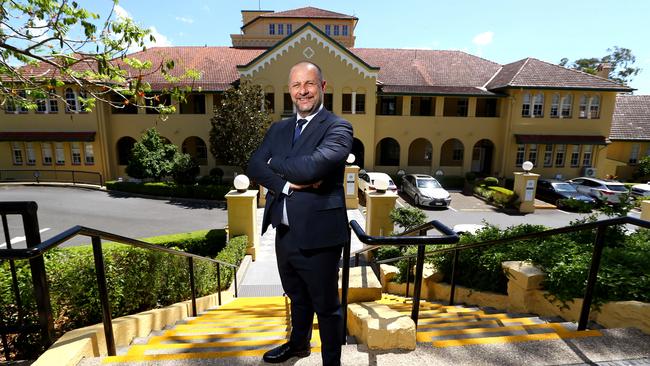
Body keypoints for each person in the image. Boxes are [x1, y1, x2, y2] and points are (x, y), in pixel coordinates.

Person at [247, 61, 353, 366]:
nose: (302, 91)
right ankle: (298, 345)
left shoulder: (338, 127)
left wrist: (273, 163)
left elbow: (314, 167)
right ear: (290, 90)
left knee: (327, 306)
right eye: (296, 85)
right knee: (296, 295)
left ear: (322, 86)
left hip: (320, 235)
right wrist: (286, 184)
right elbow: (253, 165)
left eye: (309, 84)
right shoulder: (278, 128)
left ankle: (331, 362)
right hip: (285, 230)